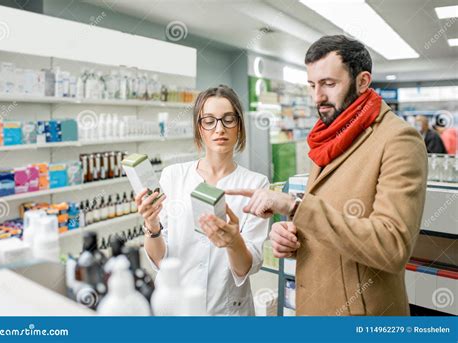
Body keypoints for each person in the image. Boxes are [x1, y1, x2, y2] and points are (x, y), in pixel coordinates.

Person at [227, 35, 428, 316]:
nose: (317, 97)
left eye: (329, 84)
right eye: (312, 85)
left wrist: (295, 206)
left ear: (363, 81)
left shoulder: (398, 140)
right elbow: (328, 220)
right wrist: (293, 237)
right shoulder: (330, 135)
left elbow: (391, 246)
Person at [135, 85, 269, 316]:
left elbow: (245, 267)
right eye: (209, 121)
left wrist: (233, 241)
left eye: (228, 119)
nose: (220, 128)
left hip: (228, 313)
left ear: (239, 126)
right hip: (177, 309)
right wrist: (152, 226)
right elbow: (160, 260)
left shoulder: (256, 185)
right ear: (199, 128)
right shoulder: (173, 175)